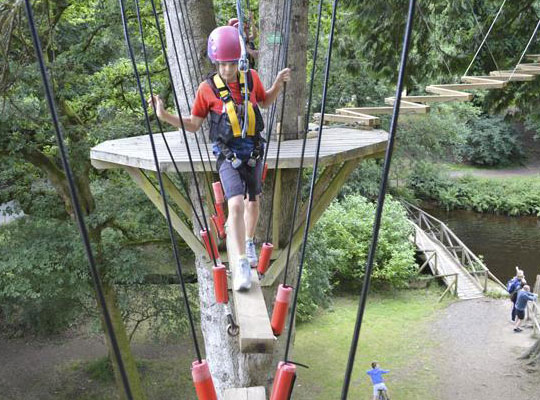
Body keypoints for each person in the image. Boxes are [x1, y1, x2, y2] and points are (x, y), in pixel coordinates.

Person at [149, 26, 290, 292]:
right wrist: (164, 115)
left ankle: (248, 242)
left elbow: (266, 101)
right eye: (222, 64)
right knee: (235, 204)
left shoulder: (251, 78)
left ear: (240, 60)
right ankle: (239, 265)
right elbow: (193, 124)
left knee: (253, 201)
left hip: (254, 151)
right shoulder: (207, 89)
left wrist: (278, 86)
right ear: (216, 62)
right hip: (227, 156)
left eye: (232, 63)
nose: (227, 69)